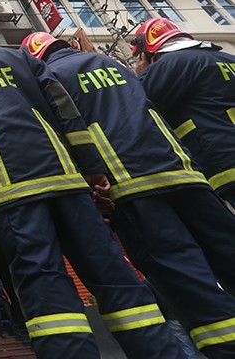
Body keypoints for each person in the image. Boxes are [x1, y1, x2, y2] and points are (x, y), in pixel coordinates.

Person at [0, 12, 185, 359]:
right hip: (69, 185)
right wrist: (92, 167)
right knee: (113, 274)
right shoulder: (20, 58)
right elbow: (65, 110)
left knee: (45, 288)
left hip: (12, 195)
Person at [23, 31, 235, 358]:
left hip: (131, 186)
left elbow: (69, 135)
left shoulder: (51, 78)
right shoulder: (112, 63)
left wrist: (93, 188)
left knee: (186, 279)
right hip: (185, 175)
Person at [132, 18, 235, 206]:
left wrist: (143, 73)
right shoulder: (228, 59)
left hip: (225, 158)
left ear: (146, 53)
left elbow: (138, 102)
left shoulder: (170, 64)